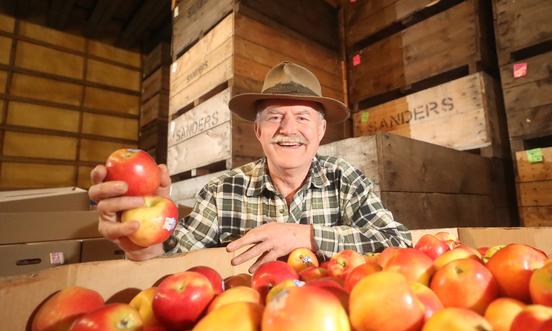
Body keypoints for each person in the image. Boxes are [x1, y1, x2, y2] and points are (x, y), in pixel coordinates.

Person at [89, 61, 411, 273]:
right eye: (274, 117)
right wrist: (144, 240)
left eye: (302, 117)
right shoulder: (221, 192)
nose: (288, 128)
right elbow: (172, 254)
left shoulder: (345, 179)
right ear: (258, 131)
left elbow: (398, 242)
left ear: (320, 131)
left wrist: (307, 236)